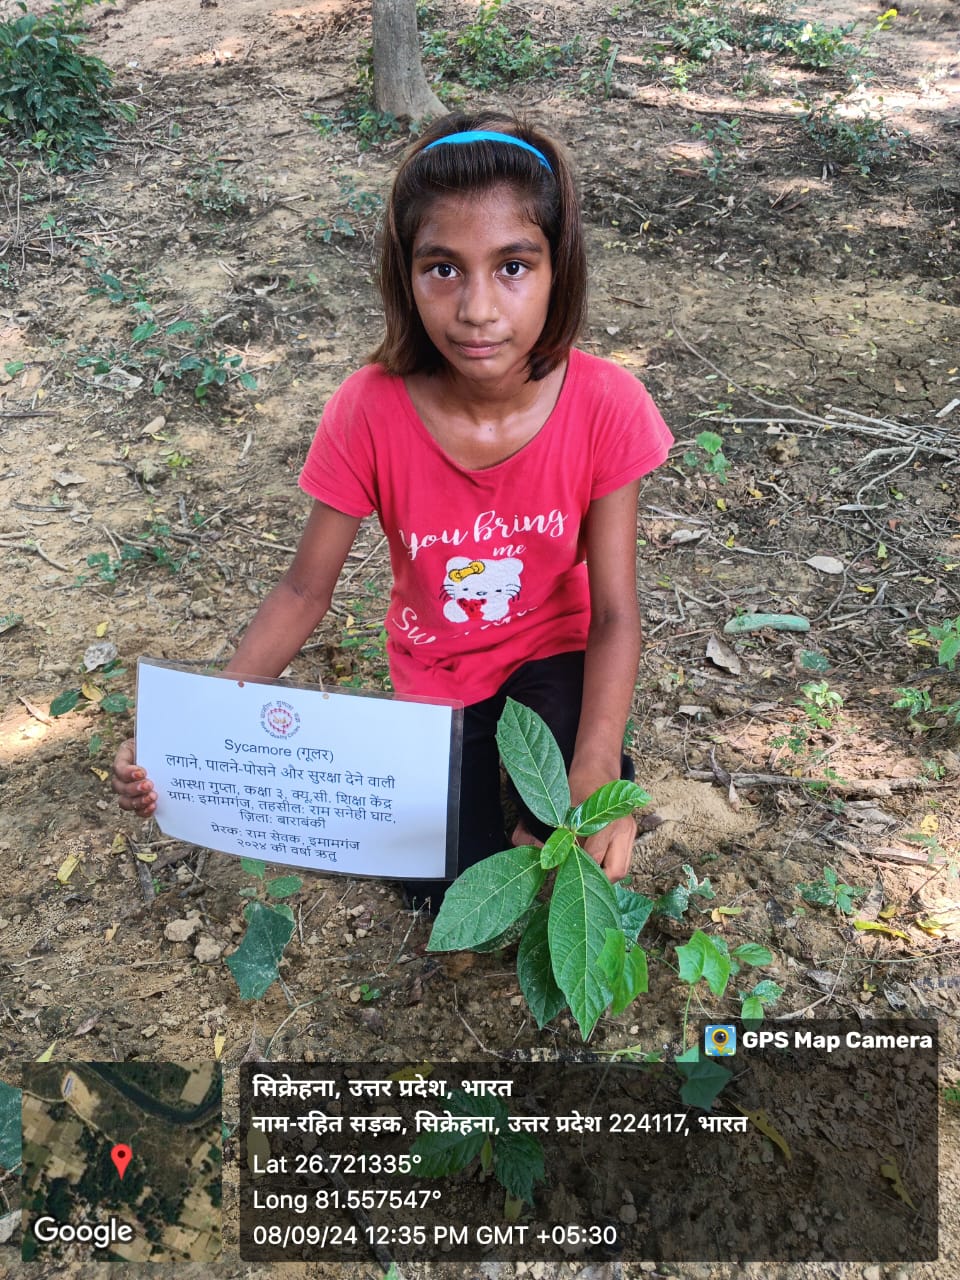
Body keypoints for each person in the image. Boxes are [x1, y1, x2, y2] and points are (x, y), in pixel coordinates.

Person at [113, 110, 674, 912]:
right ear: (405, 277)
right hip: (440, 681)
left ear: (560, 269)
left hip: (558, 655)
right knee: (445, 885)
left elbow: (616, 613)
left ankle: (585, 768)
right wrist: (199, 738)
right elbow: (305, 591)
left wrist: (595, 762)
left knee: (568, 833)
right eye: (443, 269)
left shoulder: (606, 404)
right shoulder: (369, 410)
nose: (479, 308)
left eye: (513, 266)